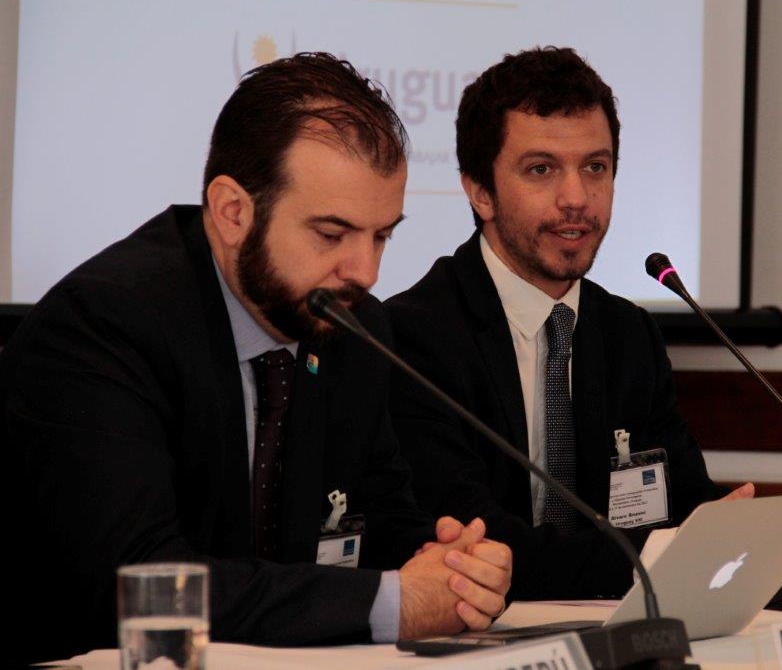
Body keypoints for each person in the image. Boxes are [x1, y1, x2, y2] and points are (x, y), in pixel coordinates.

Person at [2, 53, 511, 665]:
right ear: (233, 212)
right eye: (331, 234)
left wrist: (452, 568)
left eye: (382, 236)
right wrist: (393, 603)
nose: (366, 272)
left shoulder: (353, 331)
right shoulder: (103, 325)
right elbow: (140, 583)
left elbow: (377, 522)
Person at [385, 47, 764, 600]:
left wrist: (759, 541)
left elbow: (685, 502)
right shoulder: (414, 338)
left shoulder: (629, 334)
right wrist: (666, 554)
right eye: (541, 169)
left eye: (595, 168)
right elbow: (483, 544)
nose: (577, 199)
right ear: (480, 192)